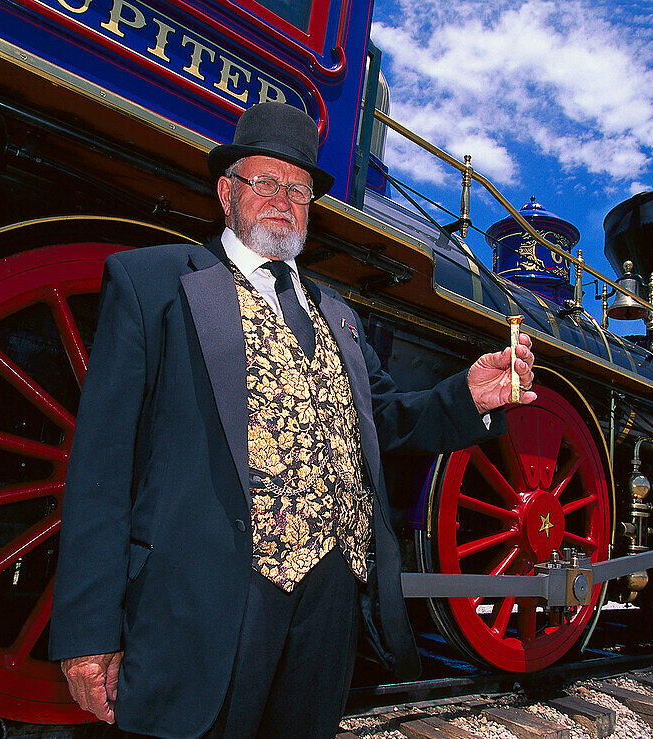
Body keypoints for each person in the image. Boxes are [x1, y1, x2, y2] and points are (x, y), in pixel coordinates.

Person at [49, 102, 537, 738]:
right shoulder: (154, 282)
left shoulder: (339, 315)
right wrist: (88, 631)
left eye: (299, 189)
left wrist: (470, 397)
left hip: (331, 599)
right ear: (227, 192)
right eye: (265, 181)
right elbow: (101, 466)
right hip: (208, 594)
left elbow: (386, 423)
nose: (283, 198)